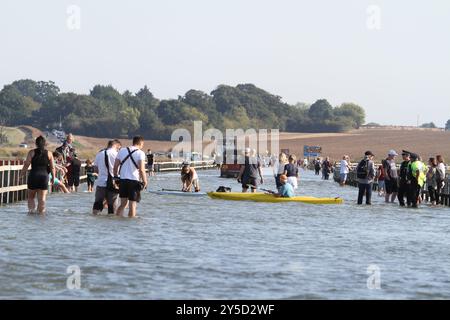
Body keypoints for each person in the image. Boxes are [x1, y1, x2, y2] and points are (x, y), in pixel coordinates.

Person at [113, 136, 148, 218]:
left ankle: (117, 218)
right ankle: (131, 225)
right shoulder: (140, 153)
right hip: (134, 181)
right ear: (140, 143)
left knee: (123, 204)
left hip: (123, 180)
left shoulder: (122, 150)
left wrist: (116, 178)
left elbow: (115, 167)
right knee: (132, 204)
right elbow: (142, 169)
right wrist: (145, 181)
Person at [20, 136, 55, 214]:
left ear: (36, 143)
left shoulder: (31, 152)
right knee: (42, 198)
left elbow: (26, 165)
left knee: (31, 197)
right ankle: (41, 213)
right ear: (45, 144)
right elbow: (52, 167)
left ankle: (31, 213)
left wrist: (21, 175)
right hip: (44, 177)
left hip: (33, 176)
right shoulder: (49, 153)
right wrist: (53, 178)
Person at [92, 139, 121, 215]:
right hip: (113, 183)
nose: (119, 149)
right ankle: (110, 224)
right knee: (112, 207)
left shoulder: (99, 154)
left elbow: (95, 169)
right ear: (116, 145)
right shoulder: (117, 155)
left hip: (101, 182)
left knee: (97, 205)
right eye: (119, 148)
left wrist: (102, 172)